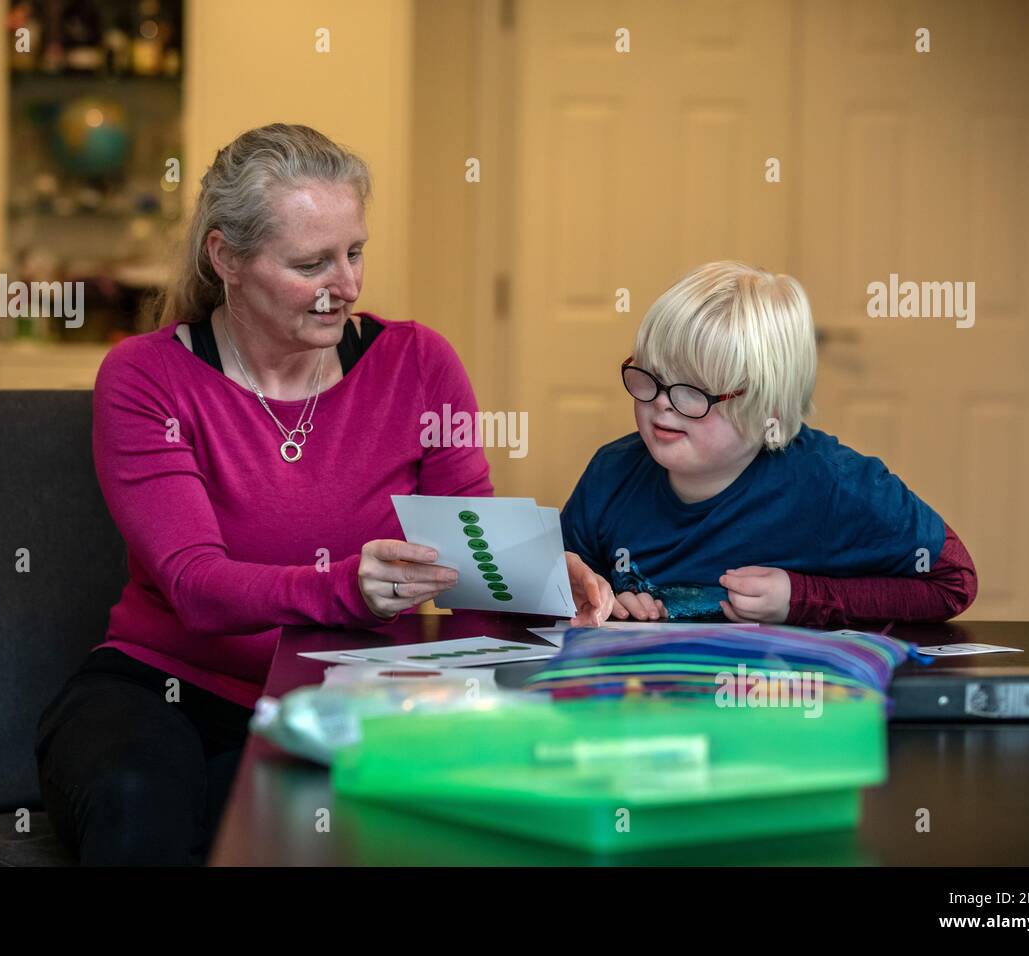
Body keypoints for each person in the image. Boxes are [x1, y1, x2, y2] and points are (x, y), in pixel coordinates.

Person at [34, 123, 614, 865]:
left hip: (351, 700)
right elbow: (196, 588)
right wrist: (346, 588)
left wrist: (539, 582)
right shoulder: (147, 377)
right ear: (227, 258)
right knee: (139, 803)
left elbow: (470, 553)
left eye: (355, 252)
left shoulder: (418, 363)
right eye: (312, 263)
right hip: (167, 691)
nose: (347, 286)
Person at [561, 260, 977, 627]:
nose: (662, 405)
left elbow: (954, 581)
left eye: (694, 391)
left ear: (769, 410)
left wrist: (802, 598)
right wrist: (602, 600)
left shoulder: (832, 484)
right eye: (650, 377)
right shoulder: (610, 474)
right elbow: (560, 589)